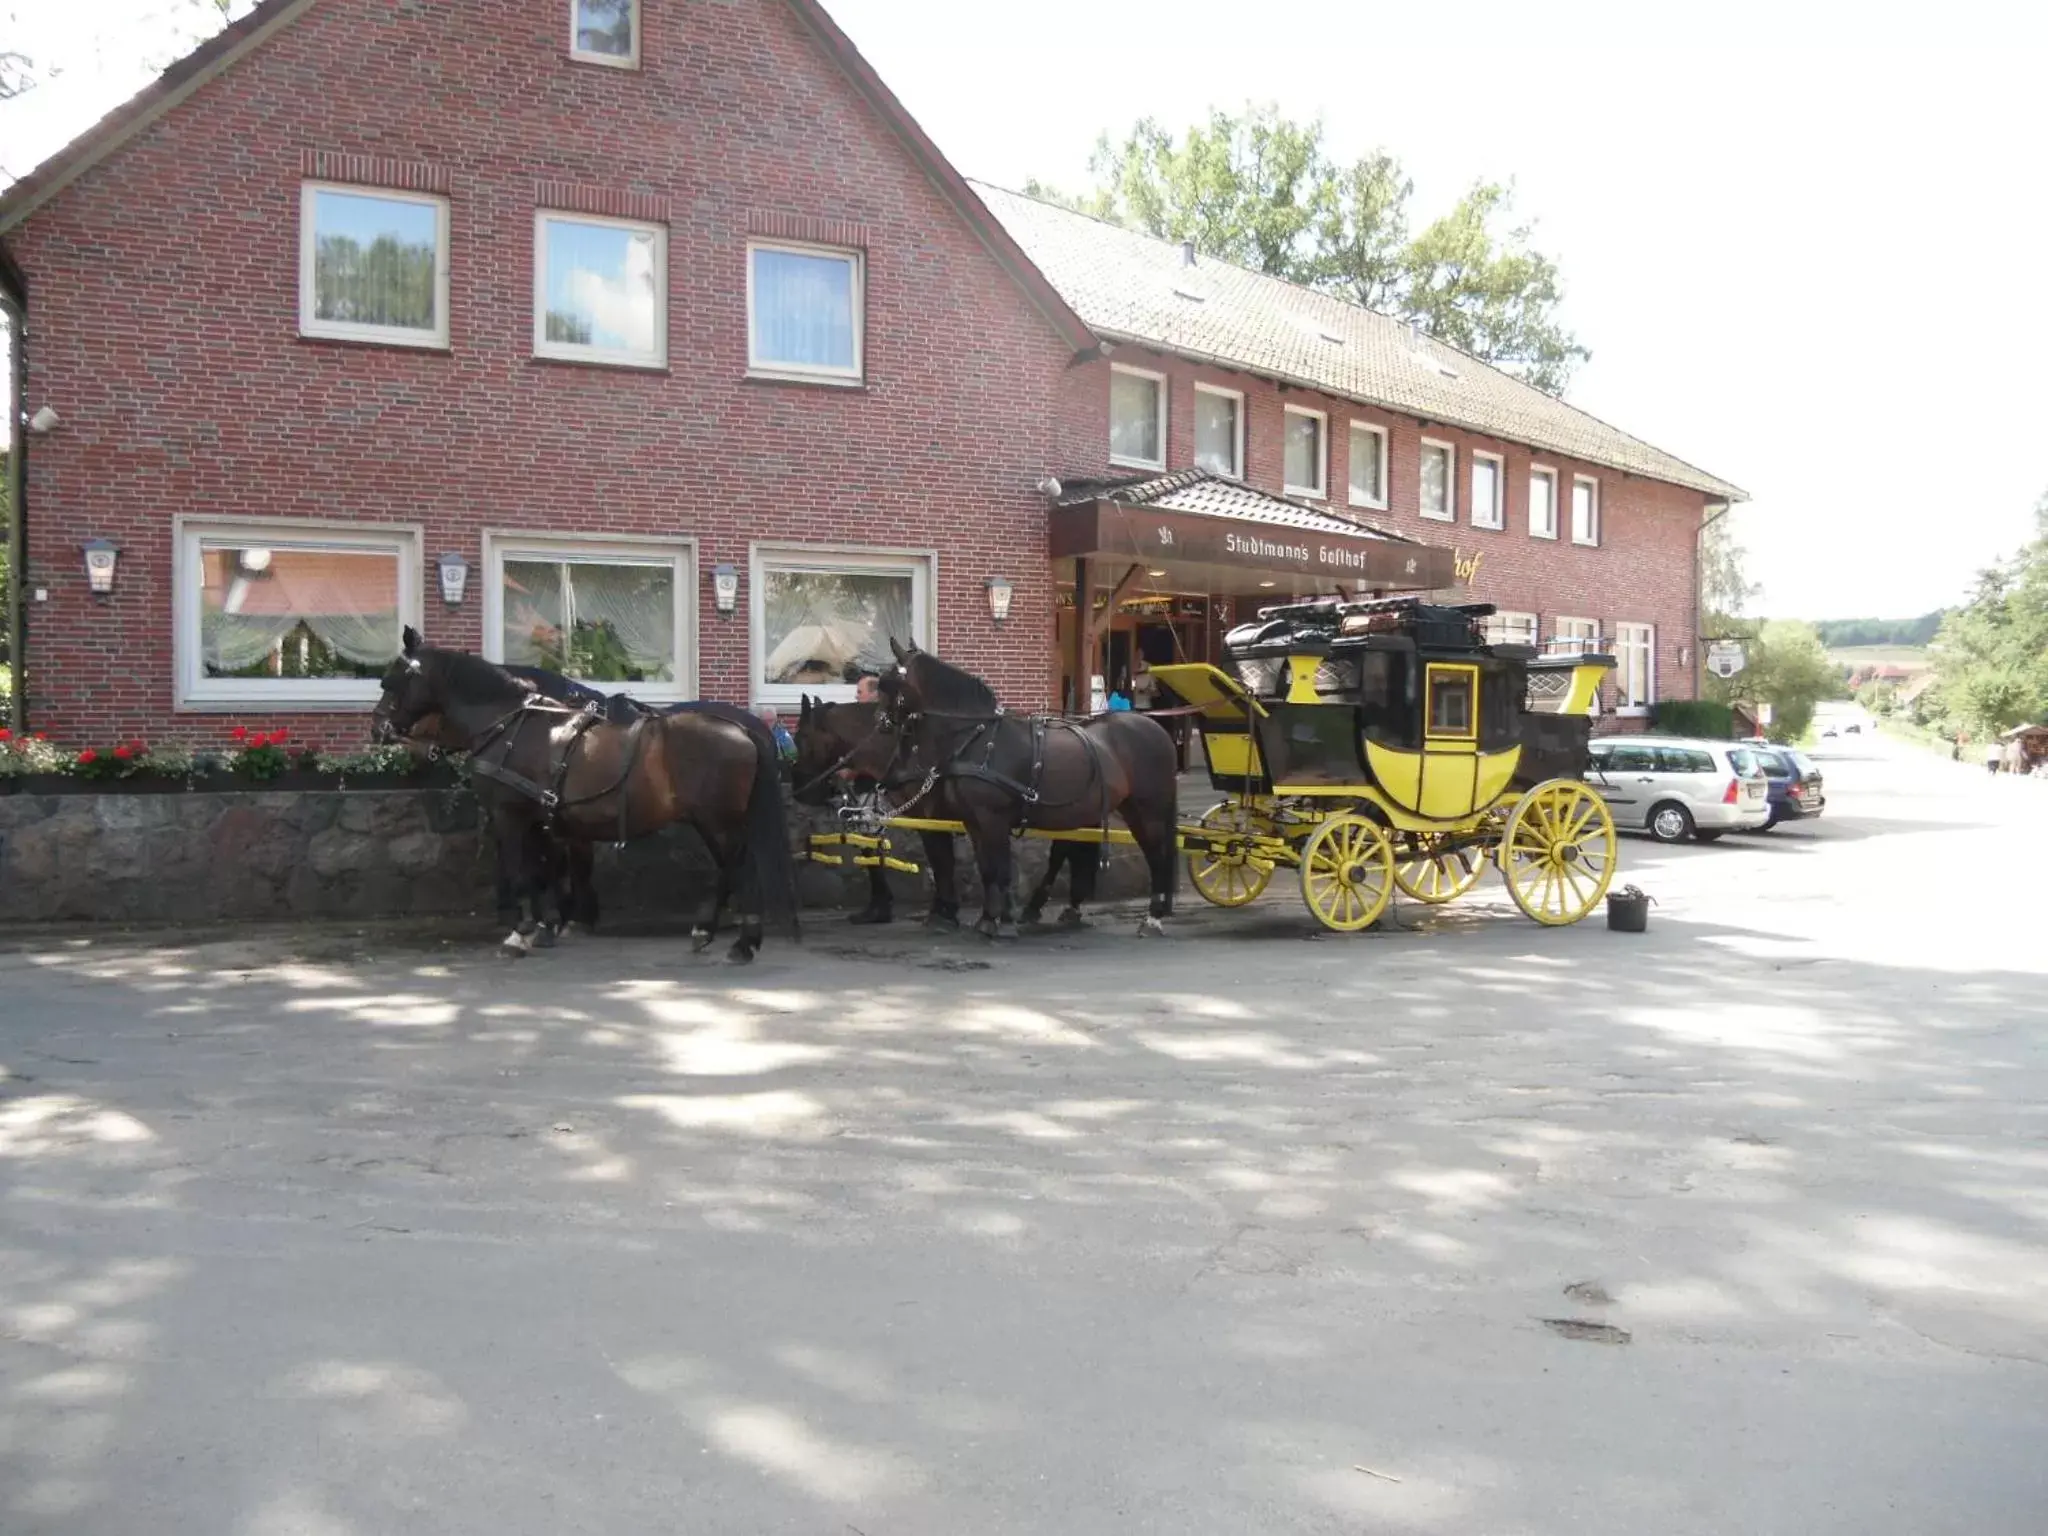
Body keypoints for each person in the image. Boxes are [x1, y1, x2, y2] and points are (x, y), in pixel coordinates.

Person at [847, 667, 894, 925]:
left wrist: (854, 772)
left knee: (872, 843)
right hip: (865, 790)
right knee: (867, 845)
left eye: (859, 692)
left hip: (875, 793)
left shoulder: (881, 726)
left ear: (874, 696)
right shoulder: (868, 725)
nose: (856, 697)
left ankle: (882, 902)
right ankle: (878, 900)